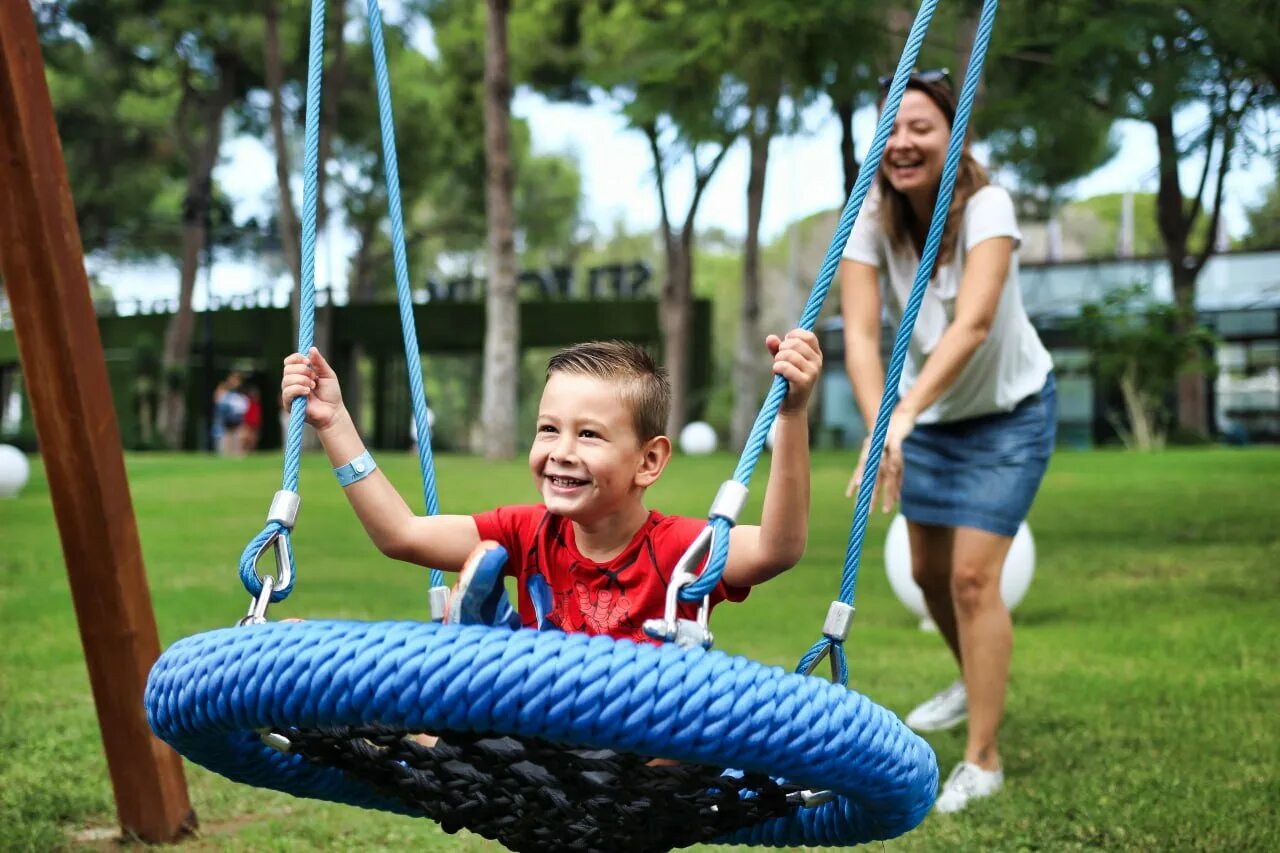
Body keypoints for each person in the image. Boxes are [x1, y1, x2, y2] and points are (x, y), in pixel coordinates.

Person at [280, 333, 822, 644]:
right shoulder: (523, 533)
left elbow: (778, 548)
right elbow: (401, 534)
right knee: (430, 716)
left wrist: (792, 415)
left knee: (682, 718)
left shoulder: (681, 551)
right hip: (539, 748)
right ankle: (329, 672)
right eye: (548, 429)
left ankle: (482, 644)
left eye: (588, 434)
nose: (561, 451)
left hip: (638, 757)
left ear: (649, 461)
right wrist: (334, 423)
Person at [839, 69, 1056, 814]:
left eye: (921, 127)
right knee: (931, 576)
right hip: (926, 419)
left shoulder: (987, 205)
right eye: (891, 129)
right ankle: (974, 678)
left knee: (971, 579)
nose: (902, 143)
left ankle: (984, 756)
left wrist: (903, 415)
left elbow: (972, 324)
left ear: (954, 136)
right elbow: (862, 337)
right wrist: (882, 429)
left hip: (1009, 414)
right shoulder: (870, 214)